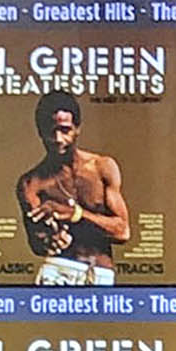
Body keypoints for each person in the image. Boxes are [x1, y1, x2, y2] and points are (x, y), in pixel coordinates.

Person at [17, 89, 131, 284]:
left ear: (77, 128)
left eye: (65, 130)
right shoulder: (31, 184)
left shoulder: (102, 167)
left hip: (101, 272)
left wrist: (75, 214)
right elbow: (36, 242)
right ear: (40, 131)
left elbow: (122, 231)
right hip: (57, 271)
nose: (58, 139)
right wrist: (49, 240)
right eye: (51, 132)